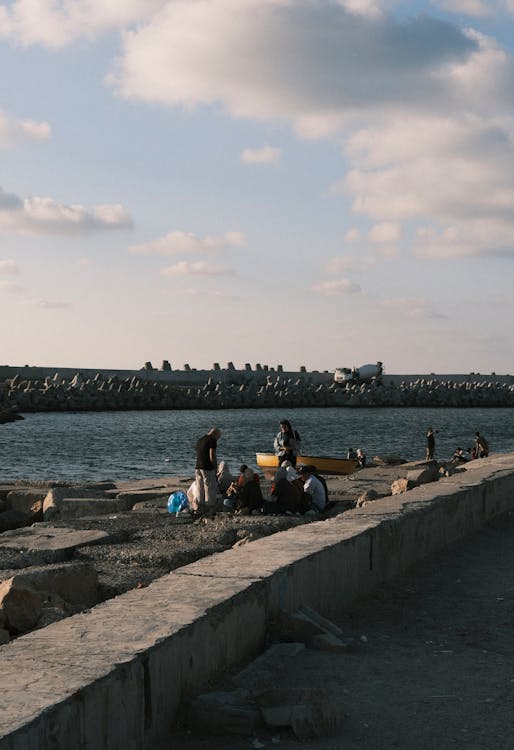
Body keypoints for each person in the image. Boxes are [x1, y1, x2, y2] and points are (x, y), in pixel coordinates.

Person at [194, 427, 222, 515]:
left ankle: (199, 506)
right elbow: (212, 454)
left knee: (200, 487)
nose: (217, 439)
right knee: (210, 487)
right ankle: (210, 507)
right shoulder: (212, 440)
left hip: (198, 466)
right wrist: (215, 467)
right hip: (207, 467)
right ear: (215, 434)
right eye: (218, 437)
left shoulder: (200, 440)